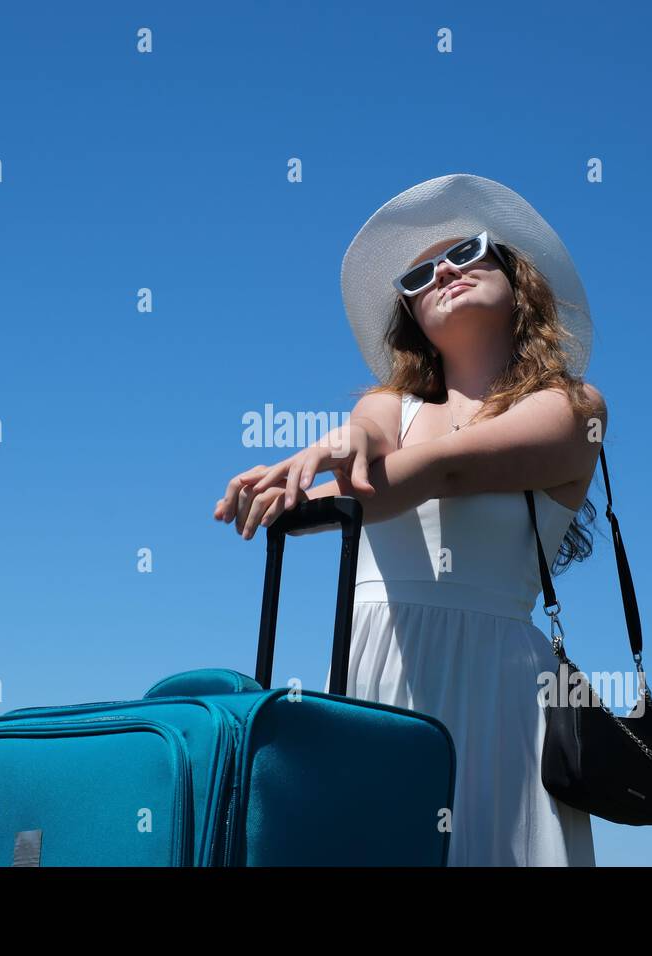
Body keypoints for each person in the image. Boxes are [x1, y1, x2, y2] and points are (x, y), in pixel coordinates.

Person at [213, 174, 603, 866]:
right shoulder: (390, 406)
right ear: (412, 315)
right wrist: (339, 443)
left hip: (498, 689)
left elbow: (436, 473)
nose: (444, 271)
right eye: (420, 273)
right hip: (377, 667)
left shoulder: (574, 406)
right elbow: (367, 445)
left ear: (519, 280)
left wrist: (336, 468)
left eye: (469, 251)